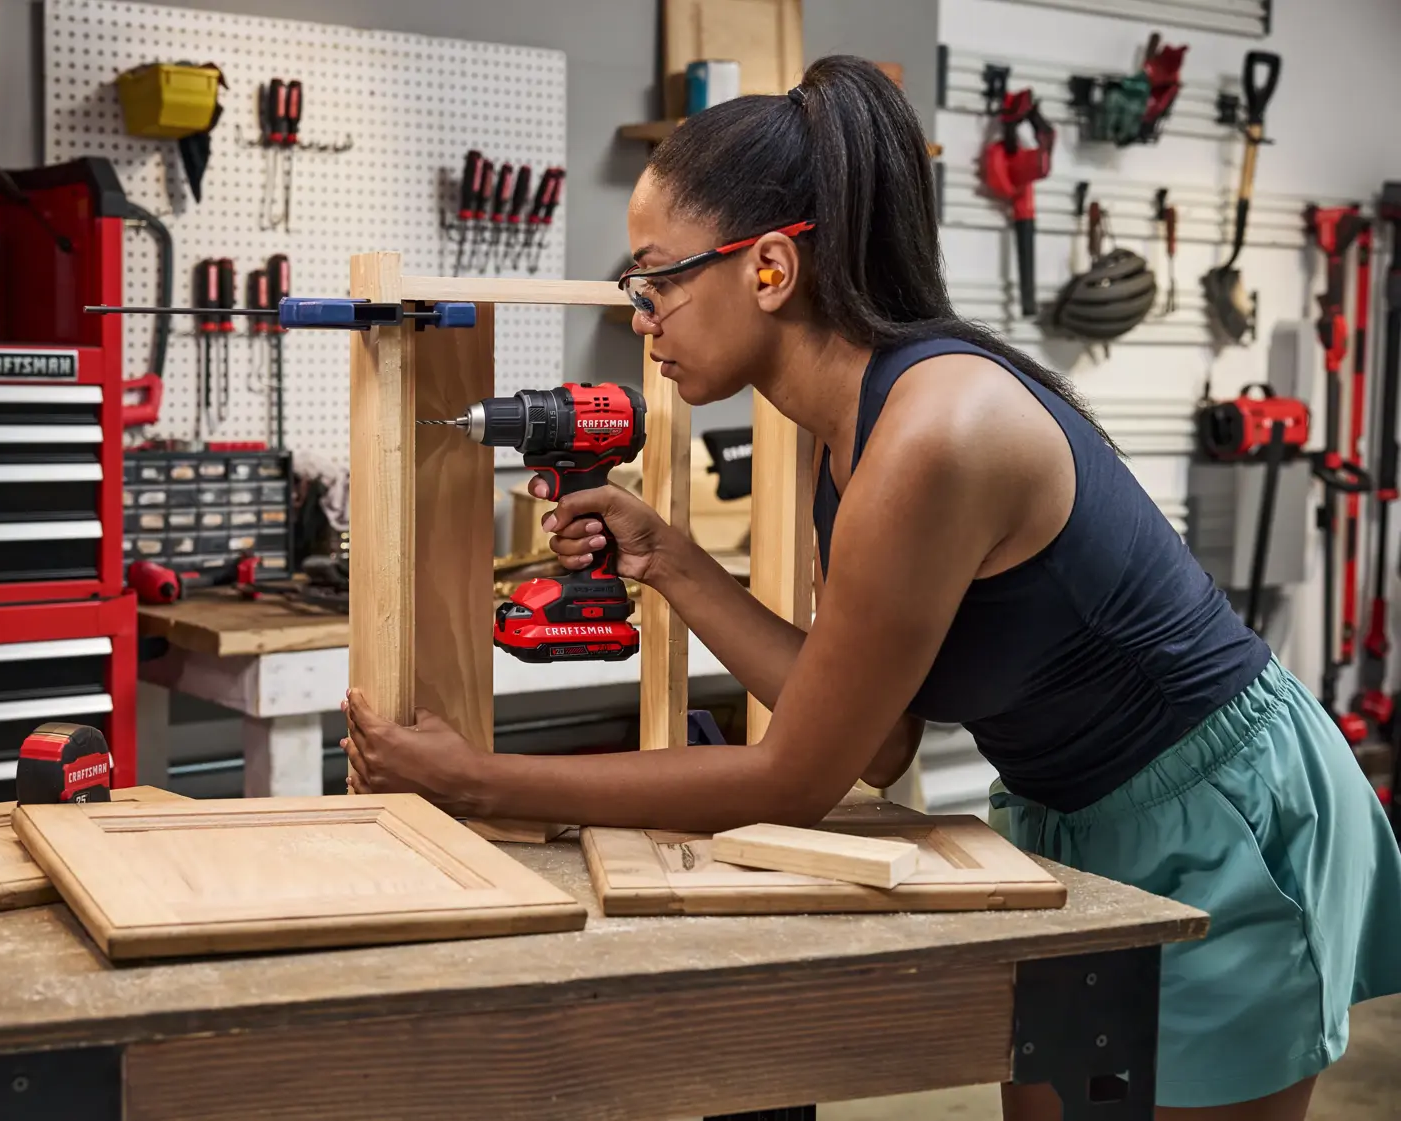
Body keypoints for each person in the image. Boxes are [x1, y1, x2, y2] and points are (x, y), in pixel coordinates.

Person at [340, 54, 1401, 1119]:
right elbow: (880, 741)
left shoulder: (932, 433)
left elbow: (792, 778)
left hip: (1217, 812)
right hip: (1070, 811)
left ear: (768, 269)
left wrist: (480, 780)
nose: (641, 314)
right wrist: (669, 559)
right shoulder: (842, 432)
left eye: (655, 278)